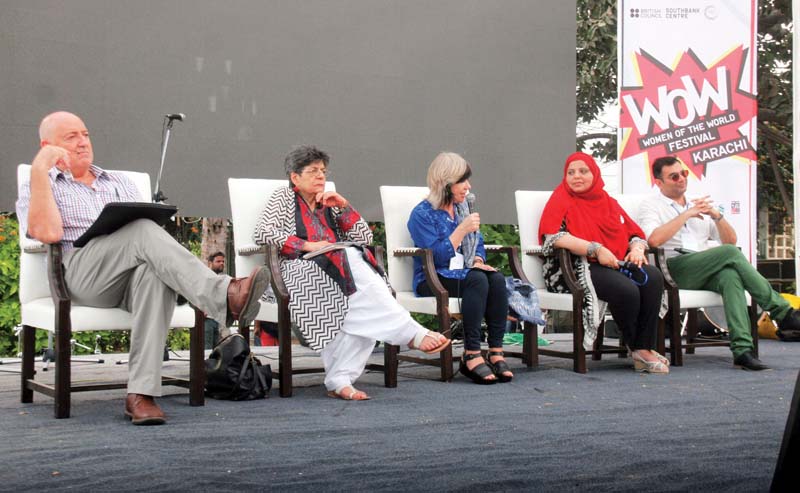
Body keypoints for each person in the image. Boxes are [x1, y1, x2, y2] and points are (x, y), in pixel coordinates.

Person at [16, 111, 270, 425]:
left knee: (155, 273)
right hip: (80, 275)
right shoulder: (40, 182)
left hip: (125, 277)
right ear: (46, 144)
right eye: (71, 137)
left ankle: (140, 394)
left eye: (85, 134)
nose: (82, 142)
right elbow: (48, 233)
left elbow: (145, 239)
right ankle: (224, 294)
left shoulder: (117, 181)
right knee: (141, 229)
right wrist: (41, 167)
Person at [253, 145, 450, 401]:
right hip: (297, 271)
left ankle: (339, 380)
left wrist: (344, 207)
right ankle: (408, 332)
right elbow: (263, 233)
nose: (321, 176)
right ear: (295, 177)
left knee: (362, 289)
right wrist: (307, 245)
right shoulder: (283, 197)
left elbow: (364, 237)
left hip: (339, 271)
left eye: (323, 171)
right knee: (358, 270)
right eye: (313, 171)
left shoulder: (329, 201)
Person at [638, 155, 800, 371]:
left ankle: (743, 351)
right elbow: (653, 240)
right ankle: (782, 312)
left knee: (730, 277)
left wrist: (716, 216)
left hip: (705, 265)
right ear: (659, 182)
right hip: (675, 267)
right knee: (730, 255)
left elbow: (730, 241)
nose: (681, 179)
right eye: (673, 176)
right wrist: (685, 215)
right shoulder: (650, 205)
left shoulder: (698, 201)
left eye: (683, 173)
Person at [539, 152, 668, 373]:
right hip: (575, 267)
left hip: (615, 263)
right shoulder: (560, 199)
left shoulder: (608, 201)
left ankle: (642, 347)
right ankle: (639, 349)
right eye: (571, 172)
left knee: (653, 277)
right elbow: (552, 237)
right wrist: (595, 249)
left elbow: (634, 233)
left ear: (595, 174)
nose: (576, 177)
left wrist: (637, 249)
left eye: (583, 171)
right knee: (626, 289)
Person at [407, 152, 512, 384]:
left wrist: (477, 261)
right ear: (445, 183)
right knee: (478, 280)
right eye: (462, 181)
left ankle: (495, 352)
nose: (468, 186)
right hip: (432, 279)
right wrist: (461, 231)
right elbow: (434, 257)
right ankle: (472, 354)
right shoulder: (421, 214)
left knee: (495, 278)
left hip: (464, 273)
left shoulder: (462, 209)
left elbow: (478, 244)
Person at [204, 251, 226, 349]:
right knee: (207, 351)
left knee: (216, 351)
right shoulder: (205, 277)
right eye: (218, 261)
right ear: (210, 263)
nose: (221, 263)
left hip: (217, 319)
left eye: (223, 261)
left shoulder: (219, 278)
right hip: (206, 320)